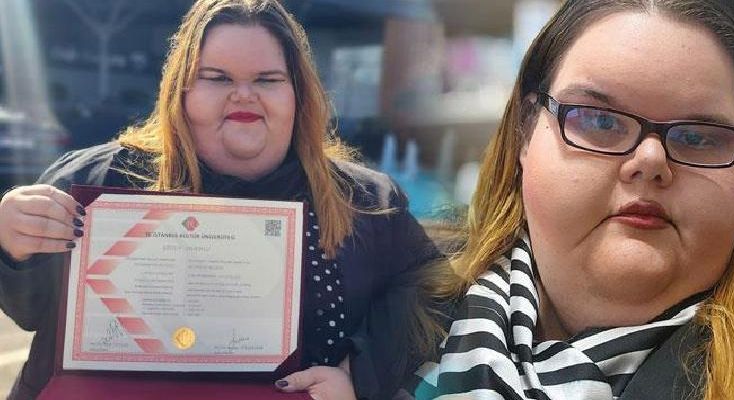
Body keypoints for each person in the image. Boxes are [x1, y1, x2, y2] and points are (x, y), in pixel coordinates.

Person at [0, 1, 439, 399]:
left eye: (267, 79)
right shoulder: (96, 180)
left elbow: (434, 291)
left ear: (298, 96)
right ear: (181, 91)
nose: (243, 94)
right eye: (217, 77)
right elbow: (29, 309)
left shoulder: (368, 202)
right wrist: (12, 244)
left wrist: (360, 373)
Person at [410, 0, 734, 399]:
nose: (650, 160)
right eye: (599, 120)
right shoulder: (393, 315)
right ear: (524, 134)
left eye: (698, 137)